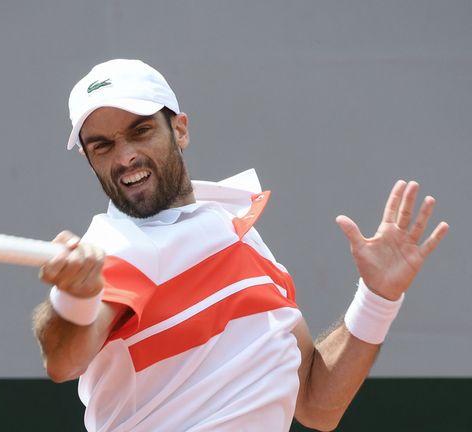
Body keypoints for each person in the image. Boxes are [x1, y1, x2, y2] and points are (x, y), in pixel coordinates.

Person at [31, 59, 449, 431]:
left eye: (140, 131)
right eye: (102, 146)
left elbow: (317, 404)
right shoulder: (118, 246)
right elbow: (64, 361)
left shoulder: (237, 231)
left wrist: (378, 297)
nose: (124, 157)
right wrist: (74, 299)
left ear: (179, 130)